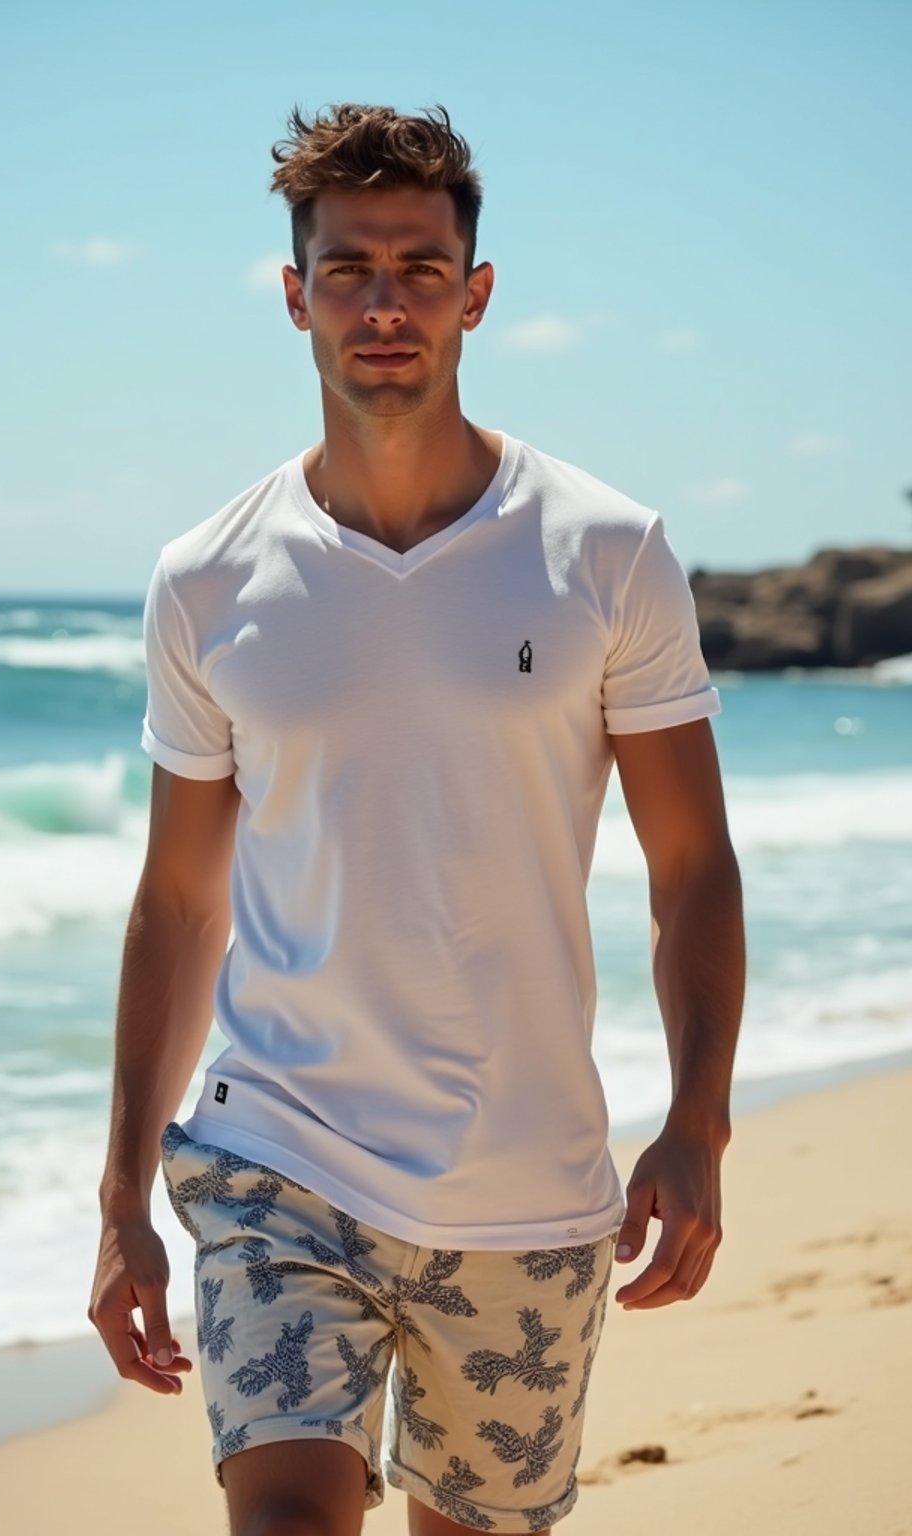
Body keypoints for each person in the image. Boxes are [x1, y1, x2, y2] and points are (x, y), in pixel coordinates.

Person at [89, 103, 745, 1536]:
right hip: (279, 1156)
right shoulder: (207, 577)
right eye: (347, 269)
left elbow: (690, 867)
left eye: (420, 267)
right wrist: (121, 1196)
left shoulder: (604, 551)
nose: (384, 302)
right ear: (295, 295)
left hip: (525, 1187)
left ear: (476, 292)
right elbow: (181, 906)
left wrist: (699, 1122)